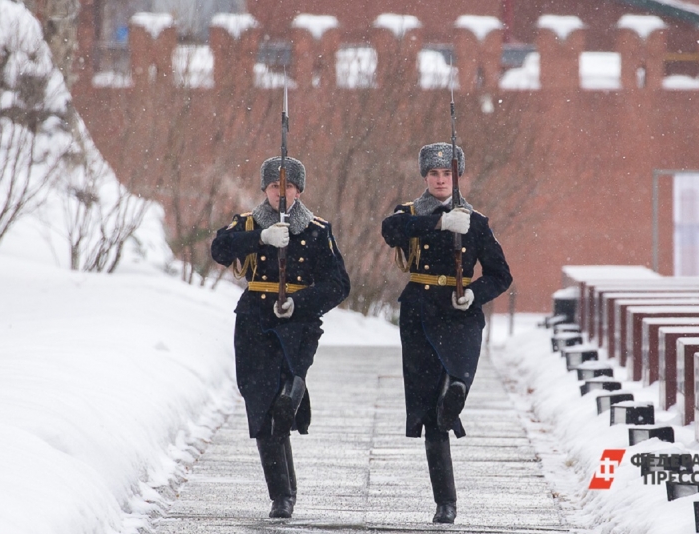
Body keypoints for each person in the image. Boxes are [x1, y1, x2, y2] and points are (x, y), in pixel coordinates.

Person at [211, 156, 350, 519]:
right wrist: (260, 237)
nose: (281, 193)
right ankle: (282, 493)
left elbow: (339, 285)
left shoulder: (318, 230)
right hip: (255, 319)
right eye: (275, 186)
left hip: (297, 323)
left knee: (280, 403)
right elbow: (219, 249)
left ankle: (295, 391)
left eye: (288, 186)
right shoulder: (247, 223)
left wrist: (300, 302)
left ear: (299, 190)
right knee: (261, 405)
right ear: (265, 190)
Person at [381, 142, 512, 524]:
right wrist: (437, 222)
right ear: (425, 177)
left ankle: (457, 390)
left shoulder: (478, 221)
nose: (441, 180)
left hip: (460, 313)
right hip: (420, 311)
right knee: (431, 415)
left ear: (458, 177)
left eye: (448, 174)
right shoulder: (409, 214)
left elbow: (501, 274)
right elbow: (391, 231)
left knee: (457, 379)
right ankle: (445, 503)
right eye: (434, 174)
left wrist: (473, 294)